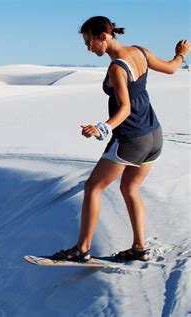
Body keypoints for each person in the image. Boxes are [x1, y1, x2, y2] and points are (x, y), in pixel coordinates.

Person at [51, 16, 190, 262]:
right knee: (130, 188)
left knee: (93, 187)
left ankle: (82, 249)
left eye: (89, 42)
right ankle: (139, 248)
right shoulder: (140, 51)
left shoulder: (117, 67)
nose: (89, 48)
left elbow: (124, 108)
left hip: (132, 137)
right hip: (154, 134)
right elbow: (171, 68)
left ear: (102, 36)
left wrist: (101, 128)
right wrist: (181, 54)